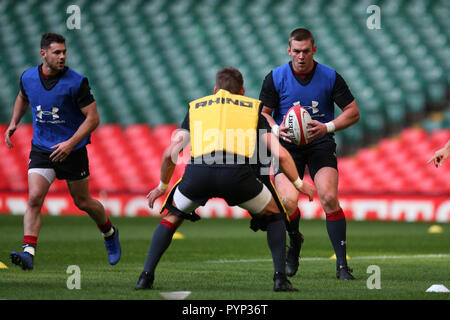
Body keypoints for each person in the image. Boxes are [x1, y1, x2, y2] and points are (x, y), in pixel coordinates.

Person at [135, 67, 315, 291]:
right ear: (242, 91)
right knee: (275, 215)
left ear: (214, 90)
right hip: (237, 175)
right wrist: (300, 183)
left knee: (172, 216)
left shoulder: (196, 107)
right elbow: (278, 153)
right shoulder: (252, 109)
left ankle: (145, 277)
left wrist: (162, 185)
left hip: (199, 172)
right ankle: (280, 279)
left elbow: (169, 153)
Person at [4, 33, 121, 270]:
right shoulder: (27, 77)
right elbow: (22, 97)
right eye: (57, 52)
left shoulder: (77, 82)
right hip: (42, 148)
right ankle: (29, 253)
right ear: (43, 54)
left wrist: (70, 144)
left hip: (72, 150)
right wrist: (14, 121)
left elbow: (93, 118)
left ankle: (109, 232)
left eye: (64, 52)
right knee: (35, 197)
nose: (62, 56)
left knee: (83, 201)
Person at [259, 28, 360, 280]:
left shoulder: (330, 76)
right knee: (288, 202)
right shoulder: (275, 77)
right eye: (296, 51)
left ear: (314, 50)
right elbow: (262, 113)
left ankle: (342, 265)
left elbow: (353, 111)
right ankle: (295, 243)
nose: (301, 56)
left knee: (327, 197)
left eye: (306, 51)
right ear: (288, 50)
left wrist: (328, 127)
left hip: (320, 143)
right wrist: (274, 127)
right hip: (286, 147)